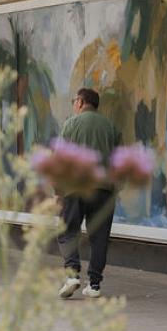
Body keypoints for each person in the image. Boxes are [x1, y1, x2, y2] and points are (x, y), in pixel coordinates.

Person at [56, 88, 121, 300]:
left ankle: (72, 274)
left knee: (68, 230)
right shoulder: (111, 127)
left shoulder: (70, 125)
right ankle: (94, 284)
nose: (74, 104)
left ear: (82, 102)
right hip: (103, 189)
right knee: (100, 236)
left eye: (75, 100)